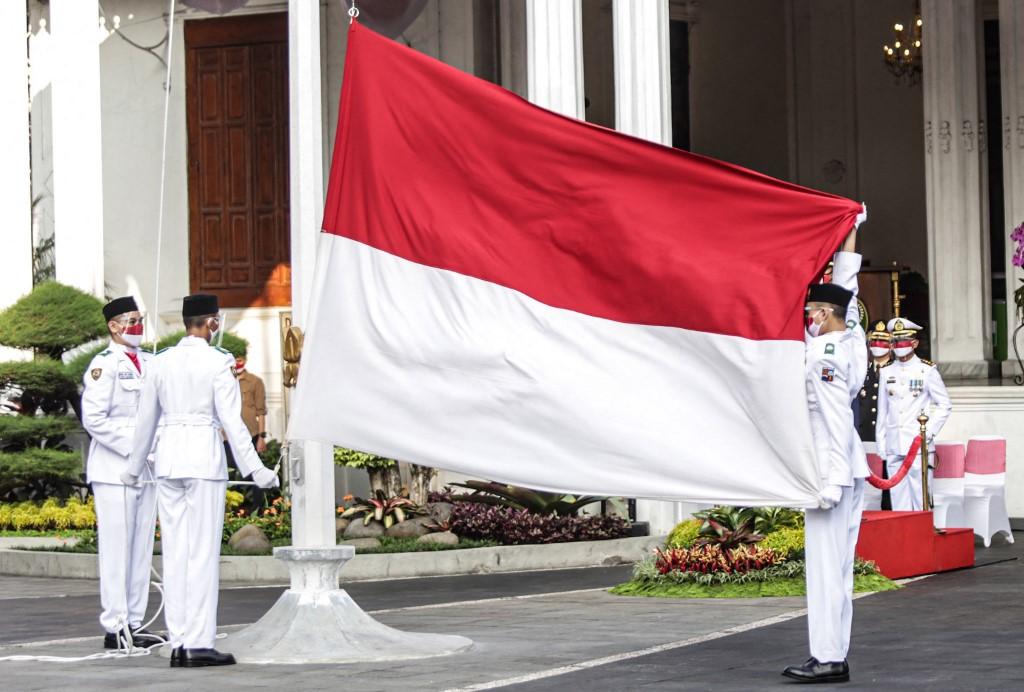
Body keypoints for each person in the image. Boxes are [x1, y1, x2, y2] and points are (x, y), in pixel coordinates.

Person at [123, 294, 279, 668]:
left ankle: (179, 641)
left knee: (176, 552)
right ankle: (198, 642)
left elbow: (145, 421)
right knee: (202, 554)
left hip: (169, 461)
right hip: (203, 462)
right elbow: (232, 422)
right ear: (211, 322)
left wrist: (132, 468)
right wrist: (257, 470)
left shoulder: (160, 362)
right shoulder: (217, 362)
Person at [783, 228, 869, 684]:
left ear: (820, 315)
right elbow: (847, 296)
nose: (808, 320)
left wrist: (829, 481)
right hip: (848, 467)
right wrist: (850, 232)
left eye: (811, 314)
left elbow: (835, 420)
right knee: (838, 568)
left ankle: (828, 656)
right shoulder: (850, 338)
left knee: (825, 571)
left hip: (831, 471)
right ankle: (833, 652)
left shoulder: (822, 357)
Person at [80, 296, 162, 650]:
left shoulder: (151, 362)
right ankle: (114, 626)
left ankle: (134, 620)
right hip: (115, 468)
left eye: (140, 318)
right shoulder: (104, 365)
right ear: (113, 326)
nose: (138, 325)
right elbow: (95, 420)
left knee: (141, 546)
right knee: (117, 549)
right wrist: (137, 445)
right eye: (131, 320)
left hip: (147, 467)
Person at [874, 318, 952, 511]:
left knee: (921, 500)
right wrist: (881, 442)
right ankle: (903, 541)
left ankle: (922, 539)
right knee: (898, 502)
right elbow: (883, 411)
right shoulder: (886, 371)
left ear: (914, 343)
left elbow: (944, 405)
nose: (898, 346)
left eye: (903, 342)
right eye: (895, 342)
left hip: (918, 446)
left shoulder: (926, 370)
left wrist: (928, 434)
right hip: (894, 444)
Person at [859, 321, 894, 509]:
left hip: (887, 438)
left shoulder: (895, 372)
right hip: (865, 436)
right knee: (866, 489)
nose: (877, 347)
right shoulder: (861, 372)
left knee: (887, 486)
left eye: (882, 342)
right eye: (874, 341)